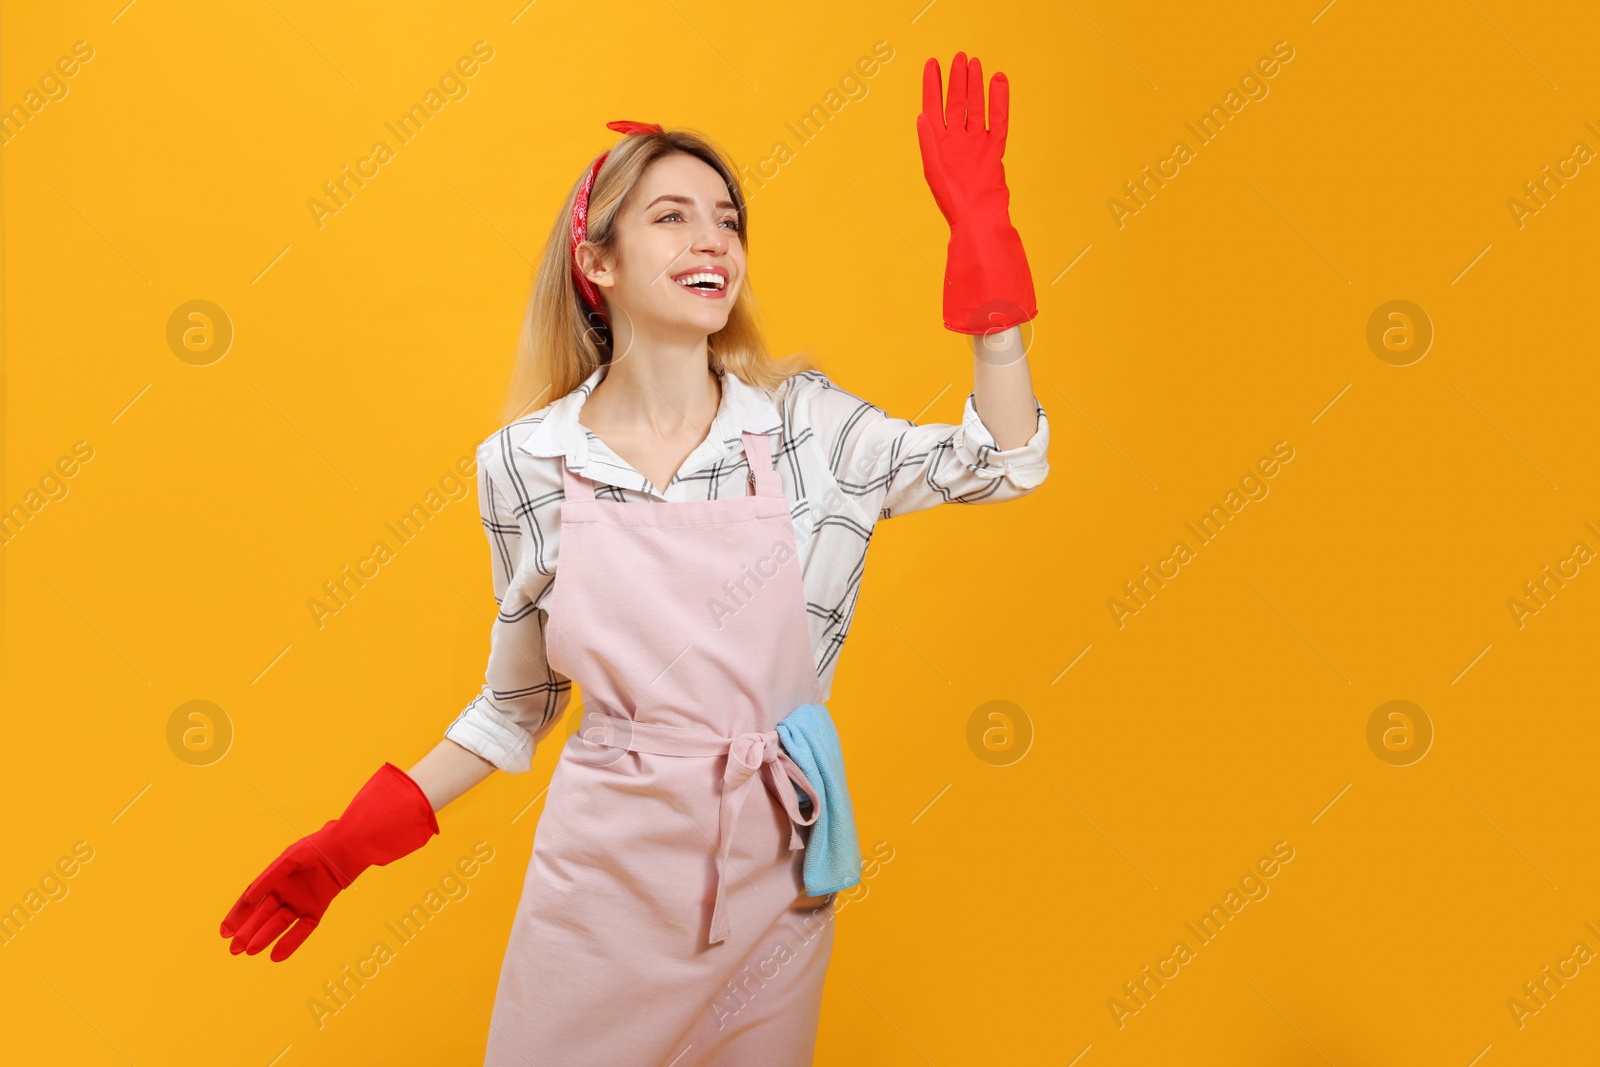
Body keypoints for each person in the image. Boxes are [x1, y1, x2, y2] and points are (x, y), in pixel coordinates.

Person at [220, 51, 1050, 1066]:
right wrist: (354, 840)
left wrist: (989, 277)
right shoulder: (528, 461)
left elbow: (999, 463)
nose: (713, 238)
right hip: (603, 891)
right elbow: (516, 705)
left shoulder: (804, 428)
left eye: (729, 218)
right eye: (672, 216)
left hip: (773, 880)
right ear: (596, 261)